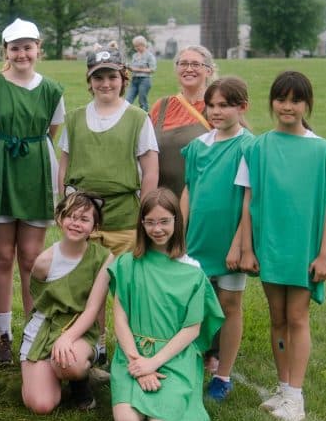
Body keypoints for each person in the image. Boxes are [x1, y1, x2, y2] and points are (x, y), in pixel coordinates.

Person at [238, 71, 326, 421]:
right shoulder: (258, 147)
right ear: (271, 103)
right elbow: (249, 200)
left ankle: (296, 398)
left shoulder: (320, 149)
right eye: (281, 99)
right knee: (278, 318)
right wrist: (247, 248)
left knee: (297, 318)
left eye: (295, 100)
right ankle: (283, 387)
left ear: (306, 104)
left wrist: (325, 253)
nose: (288, 106)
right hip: (270, 247)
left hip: (302, 249)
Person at [0, 19, 65, 365]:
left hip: (35, 170)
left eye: (28, 47)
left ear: (38, 49)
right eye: (15, 47)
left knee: (30, 257)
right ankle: (2, 333)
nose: (22, 53)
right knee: (1, 256)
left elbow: (51, 130)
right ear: (6, 51)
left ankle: (31, 329)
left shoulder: (52, 89)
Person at [110, 189, 223, 421]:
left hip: (174, 357)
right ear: (141, 224)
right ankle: (141, 397)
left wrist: (153, 363)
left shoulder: (192, 272)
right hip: (133, 354)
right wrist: (138, 363)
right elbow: (120, 319)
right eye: (150, 222)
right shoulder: (127, 264)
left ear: (176, 221)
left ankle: (165, 399)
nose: (157, 229)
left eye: (164, 221)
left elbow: (192, 329)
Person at [179, 77, 254, 402]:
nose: (216, 111)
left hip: (230, 245)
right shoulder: (198, 146)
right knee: (196, 304)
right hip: (198, 240)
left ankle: (223, 375)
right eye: (211, 105)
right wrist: (177, 234)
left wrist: (240, 242)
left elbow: (250, 200)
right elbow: (188, 190)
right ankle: (192, 361)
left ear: (242, 107)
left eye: (224, 105)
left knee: (230, 304)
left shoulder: (250, 146)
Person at [58, 48, 158, 256]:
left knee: (125, 283)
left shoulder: (137, 118)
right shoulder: (75, 118)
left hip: (124, 220)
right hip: (82, 217)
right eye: (98, 77)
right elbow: (64, 166)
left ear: (123, 79)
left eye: (112, 77)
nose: (105, 84)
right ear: (90, 81)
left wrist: (145, 214)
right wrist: (65, 208)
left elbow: (150, 171)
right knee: (84, 283)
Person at [20, 192, 112, 414]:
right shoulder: (44, 262)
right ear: (60, 218)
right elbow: (38, 305)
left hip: (79, 327)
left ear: (94, 226)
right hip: (45, 327)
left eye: (84, 219)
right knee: (41, 405)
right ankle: (43, 372)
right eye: (71, 216)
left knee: (69, 364)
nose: (76, 223)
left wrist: (67, 337)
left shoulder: (104, 257)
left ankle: (79, 379)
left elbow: (92, 308)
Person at [149, 45, 216, 196]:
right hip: (164, 203)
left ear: (208, 71)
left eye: (195, 64)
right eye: (183, 64)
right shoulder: (162, 106)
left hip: (204, 198)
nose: (189, 69)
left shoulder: (218, 107)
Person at [125, 36, 156, 111]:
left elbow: (153, 69)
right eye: (135, 46)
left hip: (144, 80)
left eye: (138, 46)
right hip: (134, 80)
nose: (136, 48)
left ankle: (145, 116)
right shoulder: (134, 55)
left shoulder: (149, 56)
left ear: (143, 45)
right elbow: (132, 67)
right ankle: (124, 115)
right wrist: (128, 67)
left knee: (142, 101)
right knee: (128, 99)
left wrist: (137, 69)